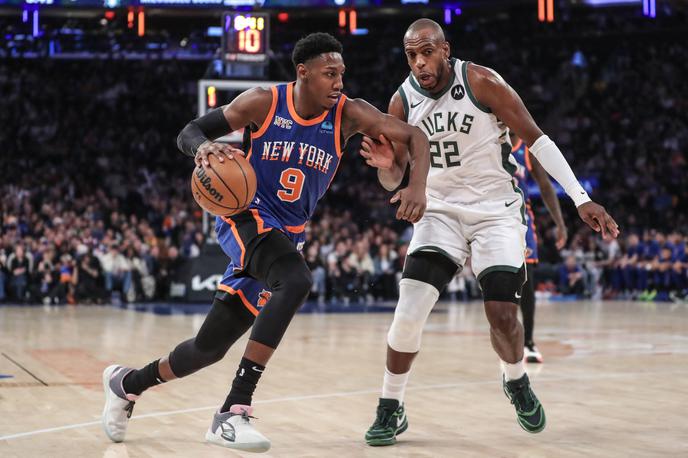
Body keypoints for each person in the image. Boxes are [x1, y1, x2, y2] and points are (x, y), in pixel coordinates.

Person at [101, 32, 430, 452]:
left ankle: (126, 383)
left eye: (342, 74)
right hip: (245, 217)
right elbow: (191, 130)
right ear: (303, 73)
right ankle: (233, 411)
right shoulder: (262, 102)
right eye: (330, 74)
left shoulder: (350, 115)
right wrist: (203, 149)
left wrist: (412, 182)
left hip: (286, 236)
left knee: (207, 349)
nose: (339, 83)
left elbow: (414, 138)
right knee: (296, 282)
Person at [359, 19, 619, 445]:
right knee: (408, 311)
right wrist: (388, 168)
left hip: (495, 212)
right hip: (440, 212)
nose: (420, 62)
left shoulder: (482, 82)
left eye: (427, 52)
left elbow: (537, 140)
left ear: (446, 49)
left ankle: (515, 379)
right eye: (411, 55)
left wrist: (580, 198)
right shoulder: (401, 102)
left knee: (502, 317)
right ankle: (390, 406)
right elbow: (395, 180)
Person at [510, 132, 568, 363]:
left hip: (522, 220)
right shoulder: (490, 139)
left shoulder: (526, 149)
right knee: (503, 282)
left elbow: (545, 186)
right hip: (492, 215)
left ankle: (529, 342)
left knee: (527, 282)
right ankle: (508, 338)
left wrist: (560, 224)